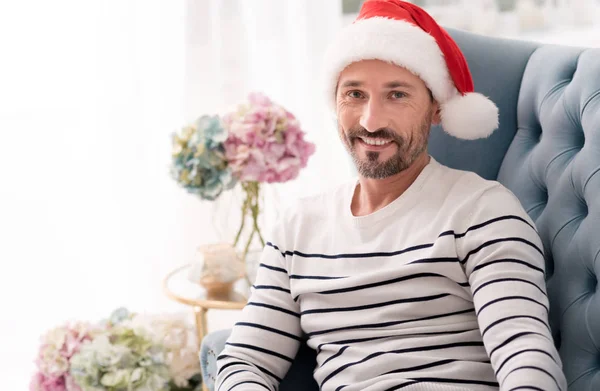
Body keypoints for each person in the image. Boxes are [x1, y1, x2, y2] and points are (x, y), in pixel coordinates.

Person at [215, 1, 567, 390]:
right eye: (354, 94)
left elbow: (524, 353)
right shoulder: (297, 229)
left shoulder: (482, 209)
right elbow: (244, 360)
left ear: (435, 108)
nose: (371, 121)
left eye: (397, 95)